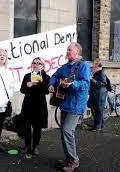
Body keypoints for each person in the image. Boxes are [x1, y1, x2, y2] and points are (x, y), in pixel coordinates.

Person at [48, 42, 90, 172]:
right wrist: (51, 84)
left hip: (76, 104)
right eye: (67, 50)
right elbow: (55, 76)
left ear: (77, 52)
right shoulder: (65, 66)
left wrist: (72, 83)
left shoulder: (84, 66)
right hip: (65, 103)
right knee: (64, 132)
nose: (67, 52)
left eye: (69, 50)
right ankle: (68, 158)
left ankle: (74, 161)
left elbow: (85, 85)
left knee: (67, 130)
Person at [20, 57, 50, 159]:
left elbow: (47, 91)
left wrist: (41, 82)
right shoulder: (27, 76)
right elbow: (22, 90)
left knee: (37, 127)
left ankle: (35, 146)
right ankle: (27, 145)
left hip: (39, 105)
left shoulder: (46, 77)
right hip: (28, 104)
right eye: (34, 63)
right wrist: (27, 86)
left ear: (43, 65)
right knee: (27, 126)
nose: (36, 65)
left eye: (39, 63)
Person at [87, 58, 108, 131]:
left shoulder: (101, 72)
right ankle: (99, 125)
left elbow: (103, 83)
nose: (93, 64)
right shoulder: (94, 72)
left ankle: (97, 126)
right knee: (97, 109)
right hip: (95, 93)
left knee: (99, 110)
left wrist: (92, 79)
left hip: (100, 94)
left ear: (98, 65)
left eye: (95, 63)